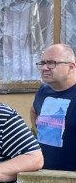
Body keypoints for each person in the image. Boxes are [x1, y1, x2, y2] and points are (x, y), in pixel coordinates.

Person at [30, 43, 76, 171]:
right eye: (42, 63)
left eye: (51, 63)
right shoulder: (43, 91)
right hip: (42, 176)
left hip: (71, 180)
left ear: (71, 67)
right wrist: (39, 130)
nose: (44, 68)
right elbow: (33, 111)